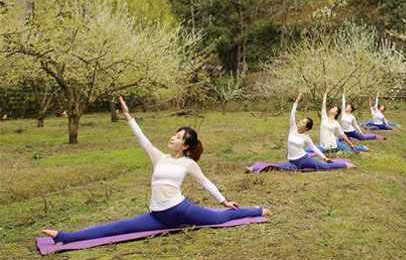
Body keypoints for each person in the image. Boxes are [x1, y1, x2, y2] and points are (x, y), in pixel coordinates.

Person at [41, 97, 270, 244]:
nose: (173, 137)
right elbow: (143, 140)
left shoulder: (188, 163)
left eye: (179, 137)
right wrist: (129, 117)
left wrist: (223, 201)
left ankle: (258, 210)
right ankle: (64, 236)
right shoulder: (159, 157)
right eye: (175, 133)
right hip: (157, 215)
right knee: (115, 228)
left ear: (186, 146)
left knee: (221, 218)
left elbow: (206, 183)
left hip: (180, 211)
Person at [246, 90, 355, 173]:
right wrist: (296, 102)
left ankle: (344, 165)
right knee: (277, 167)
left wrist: (325, 158)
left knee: (323, 167)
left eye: (303, 123)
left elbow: (314, 148)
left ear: (306, 128)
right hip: (293, 161)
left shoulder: (306, 137)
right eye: (301, 121)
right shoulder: (293, 128)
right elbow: (292, 114)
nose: (300, 123)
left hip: (303, 159)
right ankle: (253, 168)